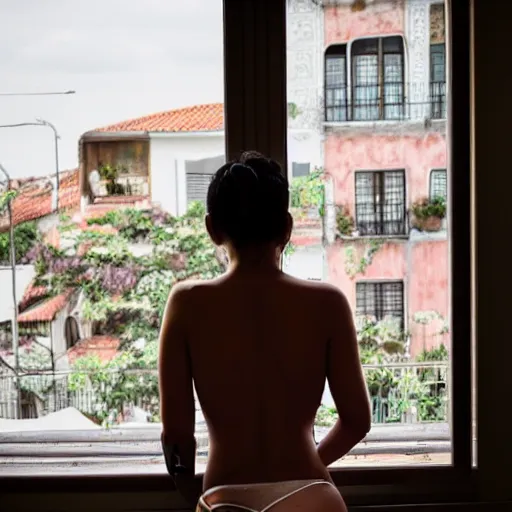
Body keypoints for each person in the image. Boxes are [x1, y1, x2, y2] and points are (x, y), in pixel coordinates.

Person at [159, 151, 371, 511]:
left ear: (212, 229)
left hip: (226, 496)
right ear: (287, 229)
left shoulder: (187, 304)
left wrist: (190, 494)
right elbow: (356, 421)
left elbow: (178, 437)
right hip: (313, 496)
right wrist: (308, 466)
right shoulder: (327, 303)